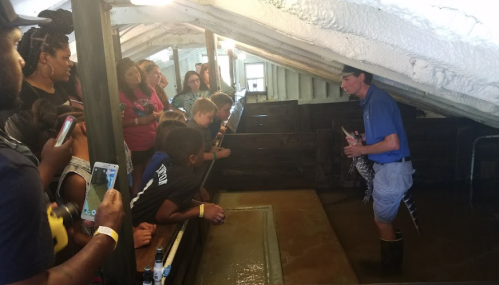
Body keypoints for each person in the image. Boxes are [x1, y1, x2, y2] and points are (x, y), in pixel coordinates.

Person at [0, 2, 123, 284]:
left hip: (59, 206)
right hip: (69, 185)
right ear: (45, 58)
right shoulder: (15, 165)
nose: (19, 59)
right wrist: (107, 236)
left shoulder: (65, 91)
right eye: (11, 44)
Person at [341, 65, 414, 270]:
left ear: (361, 77)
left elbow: (393, 143)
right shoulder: (372, 101)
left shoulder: (377, 102)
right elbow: (384, 136)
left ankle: (390, 269)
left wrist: (360, 151)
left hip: (392, 169)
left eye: (346, 79)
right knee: (385, 219)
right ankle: (391, 262)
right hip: (389, 169)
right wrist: (361, 138)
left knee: (382, 221)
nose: (342, 85)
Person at [2, 8, 74, 157]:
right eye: (65, 58)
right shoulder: (20, 99)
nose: (70, 63)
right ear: (44, 58)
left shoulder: (60, 90)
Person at [130, 127, 225, 226]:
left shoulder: (168, 162)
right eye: (202, 151)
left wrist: (204, 205)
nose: (203, 153)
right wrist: (201, 211)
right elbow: (163, 216)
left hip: (132, 211)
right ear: (192, 158)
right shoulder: (189, 180)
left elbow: (175, 199)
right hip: (135, 225)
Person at [117, 57, 164, 197]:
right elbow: (117, 123)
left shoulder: (149, 90)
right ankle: (135, 206)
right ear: (122, 78)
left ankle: (151, 202)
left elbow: (162, 109)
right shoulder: (119, 95)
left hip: (154, 138)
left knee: (154, 173)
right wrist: (139, 121)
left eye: (136, 72)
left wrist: (157, 114)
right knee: (138, 175)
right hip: (135, 143)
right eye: (129, 74)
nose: (135, 76)